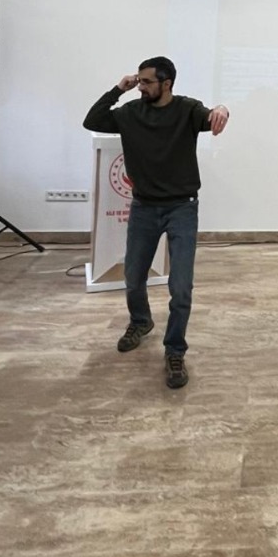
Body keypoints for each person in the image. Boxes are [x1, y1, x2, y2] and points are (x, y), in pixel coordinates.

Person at [83, 57, 229, 387]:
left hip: (182, 208)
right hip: (144, 207)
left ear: (167, 84)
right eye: (139, 80)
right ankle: (141, 321)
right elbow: (92, 120)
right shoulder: (131, 112)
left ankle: (175, 350)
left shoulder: (187, 109)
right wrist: (118, 89)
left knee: (181, 286)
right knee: (134, 275)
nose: (141, 86)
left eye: (147, 82)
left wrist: (222, 108)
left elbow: (212, 116)